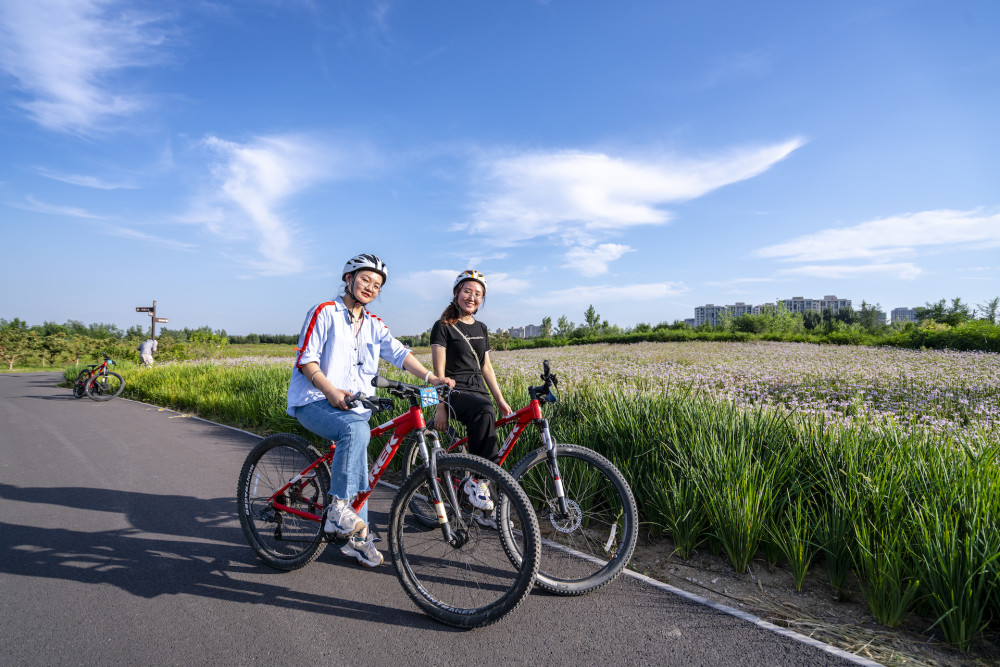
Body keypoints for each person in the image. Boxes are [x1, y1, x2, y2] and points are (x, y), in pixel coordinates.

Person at [287, 253, 452, 568]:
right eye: (365, 280)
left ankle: (357, 539)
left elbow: (399, 353)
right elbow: (306, 359)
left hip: (356, 410)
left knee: (361, 459)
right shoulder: (324, 312)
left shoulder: (374, 324)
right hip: (314, 400)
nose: (371, 288)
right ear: (348, 279)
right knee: (356, 431)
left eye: (377, 285)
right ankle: (338, 511)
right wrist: (332, 391)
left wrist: (432, 379)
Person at [430, 270, 512, 517]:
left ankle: (482, 493)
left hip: (478, 391)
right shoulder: (443, 327)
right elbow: (438, 370)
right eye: (467, 291)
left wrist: (500, 399)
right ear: (456, 293)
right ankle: (479, 482)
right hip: (453, 389)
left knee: (487, 424)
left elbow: (486, 366)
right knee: (482, 411)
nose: (472, 297)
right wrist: (440, 405)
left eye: (478, 294)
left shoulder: (482, 327)